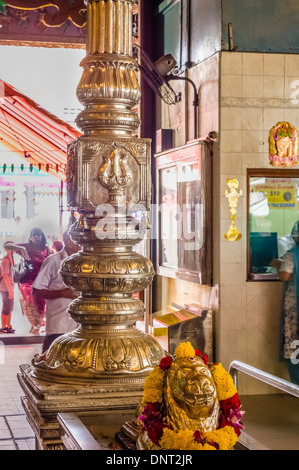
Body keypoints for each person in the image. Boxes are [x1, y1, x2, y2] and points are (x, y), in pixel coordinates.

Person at [32, 232, 81, 353]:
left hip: (79, 325)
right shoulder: (53, 261)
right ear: (70, 242)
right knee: (50, 362)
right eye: (80, 241)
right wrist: (62, 293)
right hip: (58, 323)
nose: (83, 245)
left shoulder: (84, 262)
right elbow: (37, 291)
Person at [4, 228, 52, 334]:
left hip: (41, 282)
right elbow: (7, 246)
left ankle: (36, 326)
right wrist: (21, 248)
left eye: (39, 235)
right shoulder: (26, 247)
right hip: (27, 281)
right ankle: (36, 324)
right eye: (34, 235)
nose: (36, 237)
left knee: (41, 299)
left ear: (42, 237)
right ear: (30, 237)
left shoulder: (46, 249)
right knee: (30, 293)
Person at [279, 220, 299, 385]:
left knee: (295, 343)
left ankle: (296, 384)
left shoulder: (291, 254)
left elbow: (284, 276)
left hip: (294, 308)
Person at [0, 242, 15, 333]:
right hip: (5, 288)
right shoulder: (6, 261)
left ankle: (8, 326)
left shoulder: (10, 259)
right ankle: (3, 327)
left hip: (9, 287)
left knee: (9, 307)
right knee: (6, 307)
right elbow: (5, 276)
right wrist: (10, 291)